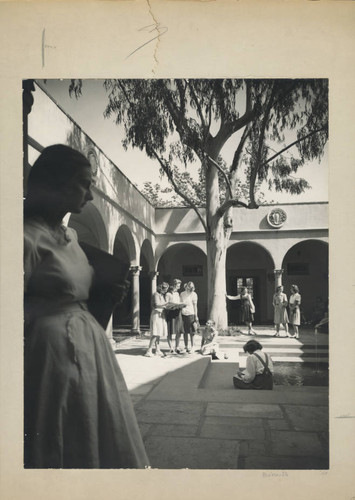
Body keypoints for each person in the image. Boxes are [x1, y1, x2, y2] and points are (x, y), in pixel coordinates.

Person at [24, 144, 149, 469]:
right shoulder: (26, 239)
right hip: (49, 355)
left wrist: (105, 292)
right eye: (84, 184)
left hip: (92, 348)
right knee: (59, 436)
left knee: (95, 432)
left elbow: (75, 291)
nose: (91, 195)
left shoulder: (73, 238)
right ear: (57, 183)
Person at [145, 282, 170, 357]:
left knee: (159, 333)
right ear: (161, 288)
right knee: (155, 333)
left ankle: (157, 349)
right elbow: (156, 304)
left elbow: (162, 305)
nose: (166, 291)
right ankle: (149, 350)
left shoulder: (161, 295)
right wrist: (166, 304)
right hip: (156, 314)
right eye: (165, 289)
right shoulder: (156, 294)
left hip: (161, 314)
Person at [165, 279, 185, 354]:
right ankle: (171, 348)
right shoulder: (168, 294)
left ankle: (177, 347)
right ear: (173, 285)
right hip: (171, 313)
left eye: (179, 286)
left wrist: (181, 305)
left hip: (178, 313)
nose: (179, 287)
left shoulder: (177, 294)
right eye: (177, 286)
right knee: (170, 332)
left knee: (178, 331)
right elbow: (166, 305)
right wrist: (172, 306)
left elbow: (179, 302)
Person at [179, 281, 199, 353]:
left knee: (192, 332)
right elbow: (180, 304)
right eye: (189, 287)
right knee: (185, 332)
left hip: (191, 314)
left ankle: (192, 346)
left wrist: (196, 316)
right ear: (186, 286)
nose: (190, 289)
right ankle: (186, 346)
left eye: (192, 287)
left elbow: (195, 306)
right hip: (183, 314)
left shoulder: (194, 294)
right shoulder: (182, 294)